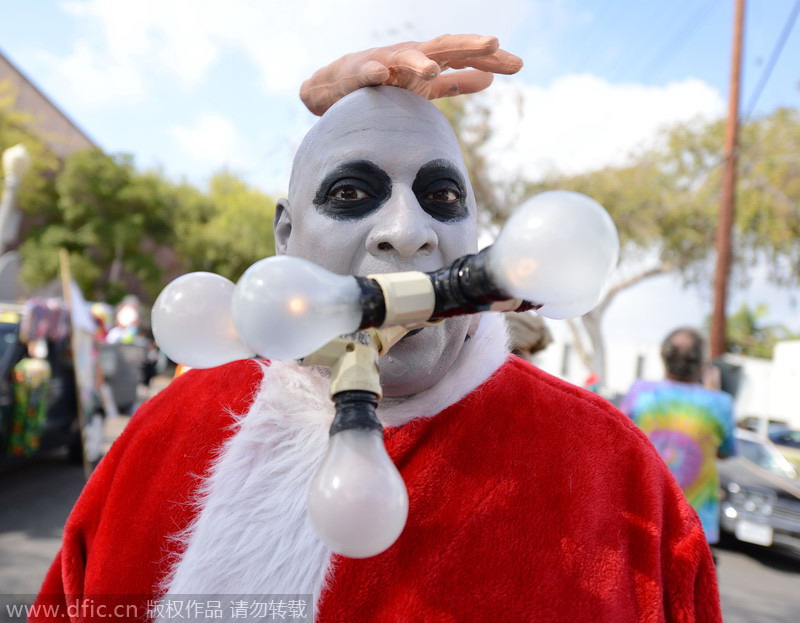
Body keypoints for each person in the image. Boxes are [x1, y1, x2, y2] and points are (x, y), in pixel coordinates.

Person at [35, 37, 723, 622]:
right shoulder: (164, 434)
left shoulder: (616, 475)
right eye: (350, 194)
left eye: (442, 196)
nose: (406, 232)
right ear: (286, 236)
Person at [621, 327, 737, 550]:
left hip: (641, 514)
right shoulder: (720, 403)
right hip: (693, 524)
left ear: (663, 355)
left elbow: (621, 440)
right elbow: (725, 451)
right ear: (703, 363)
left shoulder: (640, 391)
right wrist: (713, 393)